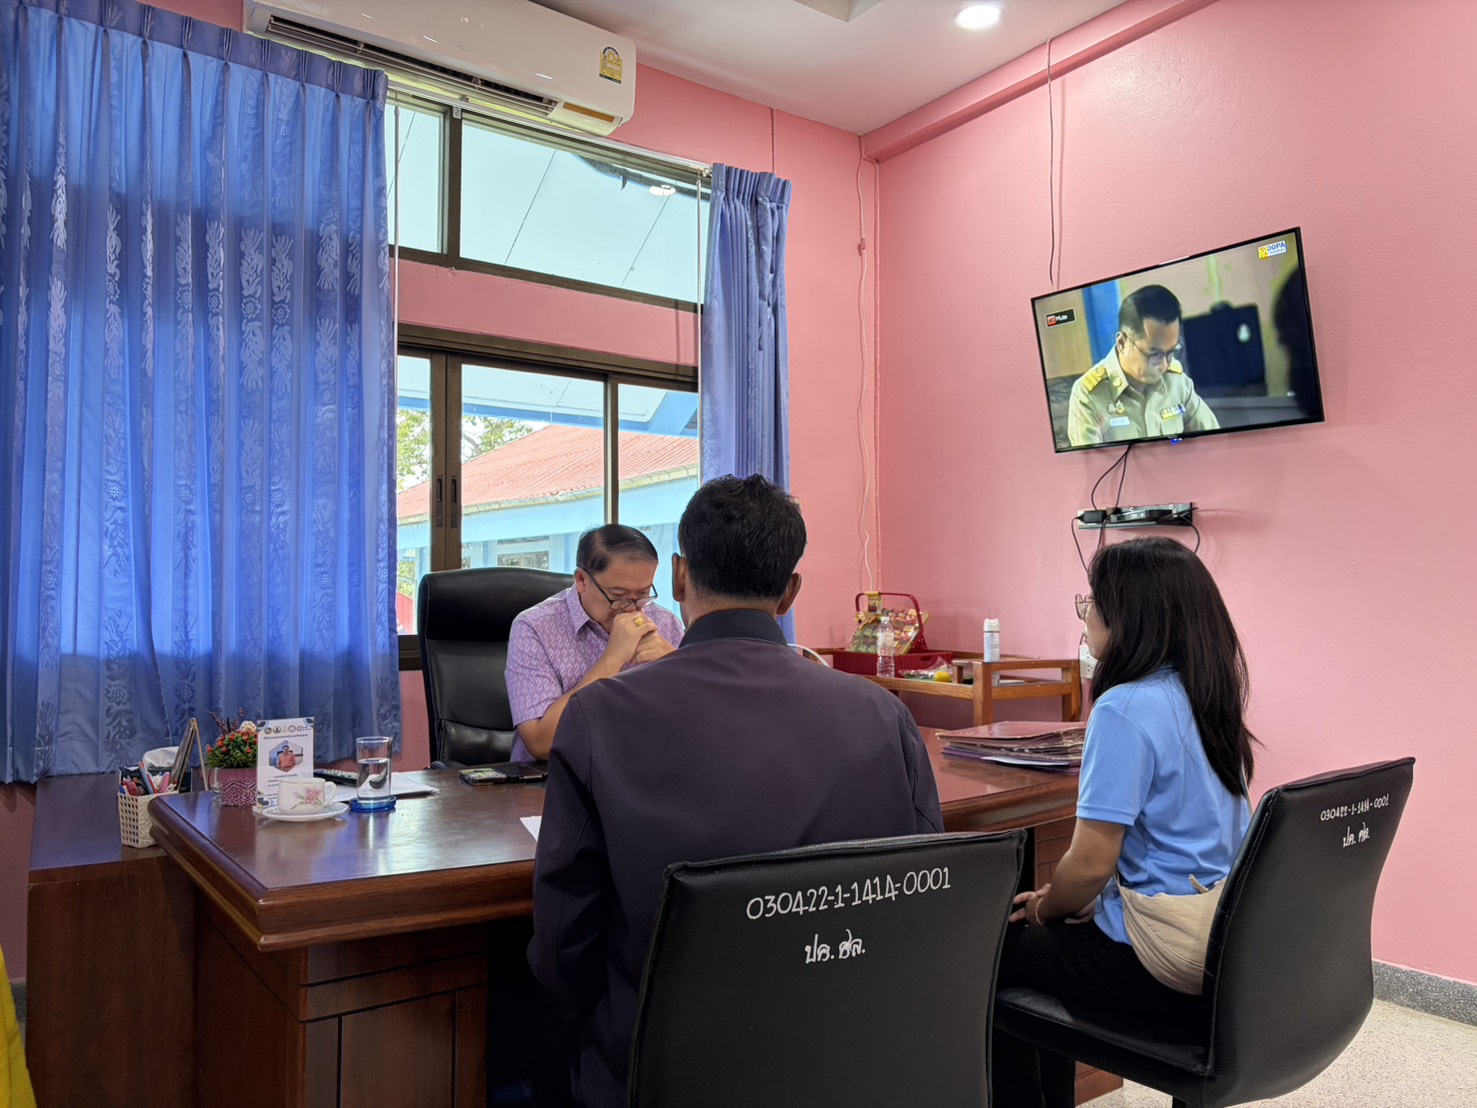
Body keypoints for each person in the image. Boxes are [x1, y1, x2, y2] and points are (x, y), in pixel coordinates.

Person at [528, 474, 944, 1108]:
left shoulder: (597, 718)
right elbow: (922, 887)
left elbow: (564, 945)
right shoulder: (882, 712)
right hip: (851, 1058)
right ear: (790, 592)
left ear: (678, 577)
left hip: (663, 1066)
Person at [993, 536, 1256, 1107]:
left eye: (1092, 602)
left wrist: (1045, 907)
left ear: (1127, 617)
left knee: (995, 953)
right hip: (1228, 944)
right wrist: (1098, 900)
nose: (1086, 615)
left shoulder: (1124, 707)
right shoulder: (1210, 696)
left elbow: (1088, 864)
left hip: (1158, 957)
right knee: (1058, 928)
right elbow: (1190, 844)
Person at [505, 525, 685, 762]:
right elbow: (541, 742)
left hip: (641, 776)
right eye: (618, 596)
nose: (632, 608)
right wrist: (612, 660)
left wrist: (676, 667)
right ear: (582, 580)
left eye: (642, 594)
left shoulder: (666, 623)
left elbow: (694, 725)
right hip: (553, 781)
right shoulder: (534, 628)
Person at [1066, 285, 1220, 446]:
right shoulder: (1089, 396)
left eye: (1171, 351)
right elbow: (1092, 468)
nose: (1165, 364)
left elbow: (1215, 442)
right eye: (1154, 354)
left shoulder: (1177, 383)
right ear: (1122, 343)